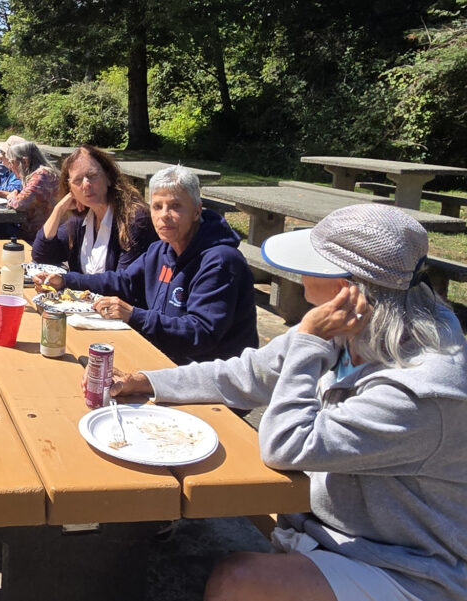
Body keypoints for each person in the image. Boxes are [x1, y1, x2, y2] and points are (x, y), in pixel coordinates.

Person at [108, 203, 467, 601]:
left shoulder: (422, 392)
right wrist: (149, 381)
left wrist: (308, 343)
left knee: (237, 580)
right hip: (333, 532)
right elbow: (249, 373)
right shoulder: (353, 323)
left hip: (408, 569)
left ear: (347, 288)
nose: (299, 274)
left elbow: (285, 445)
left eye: (314, 263)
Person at [38, 165, 256, 364]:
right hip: (165, 358)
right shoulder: (161, 249)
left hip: (211, 378)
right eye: (157, 206)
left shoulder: (221, 262)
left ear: (197, 211)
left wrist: (134, 315)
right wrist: (66, 280)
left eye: (175, 206)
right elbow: (123, 281)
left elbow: (201, 333)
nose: (164, 216)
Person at [31, 145, 158, 275]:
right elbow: (42, 255)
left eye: (92, 175)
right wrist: (58, 209)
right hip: (84, 295)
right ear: (70, 189)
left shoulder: (135, 219)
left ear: (108, 178)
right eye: (78, 180)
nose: (86, 185)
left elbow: (123, 282)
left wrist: (68, 281)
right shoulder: (82, 219)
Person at [0, 140, 59, 243]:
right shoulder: (40, 174)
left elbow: (20, 203)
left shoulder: (41, 176)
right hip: (38, 231)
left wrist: (11, 197)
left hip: (43, 236)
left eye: (12, 162)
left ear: (25, 161)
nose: (9, 166)